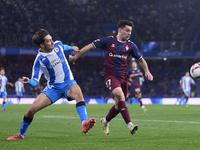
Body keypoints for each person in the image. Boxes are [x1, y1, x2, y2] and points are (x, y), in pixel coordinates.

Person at [7, 29, 96, 140]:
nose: (52, 42)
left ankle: (84, 123)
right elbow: (35, 82)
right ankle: (21, 134)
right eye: (49, 41)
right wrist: (28, 81)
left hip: (68, 83)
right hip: (53, 88)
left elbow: (64, 46)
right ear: (41, 45)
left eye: (51, 39)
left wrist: (72, 48)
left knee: (78, 91)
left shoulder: (57, 45)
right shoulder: (39, 60)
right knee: (31, 111)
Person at [69, 20, 153, 135]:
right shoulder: (108, 41)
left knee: (119, 106)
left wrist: (147, 71)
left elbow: (141, 60)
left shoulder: (131, 46)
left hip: (123, 78)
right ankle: (130, 125)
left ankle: (105, 120)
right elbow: (90, 46)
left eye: (130, 31)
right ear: (120, 30)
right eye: (127, 30)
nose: (129, 33)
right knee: (119, 94)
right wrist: (75, 57)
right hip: (110, 75)